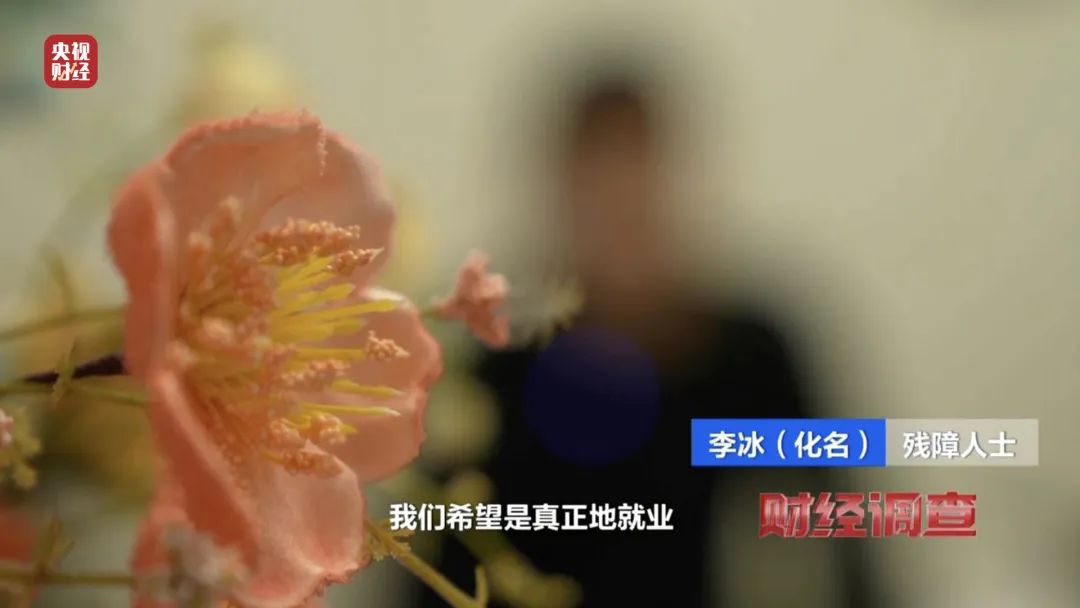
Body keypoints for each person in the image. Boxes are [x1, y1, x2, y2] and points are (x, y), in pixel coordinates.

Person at [422, 68, 880, 608]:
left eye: (637, 169)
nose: (622, 201)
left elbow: (848, 543)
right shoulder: (494, 367)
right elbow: (433, 567)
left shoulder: (755, 355)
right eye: (599, 176)